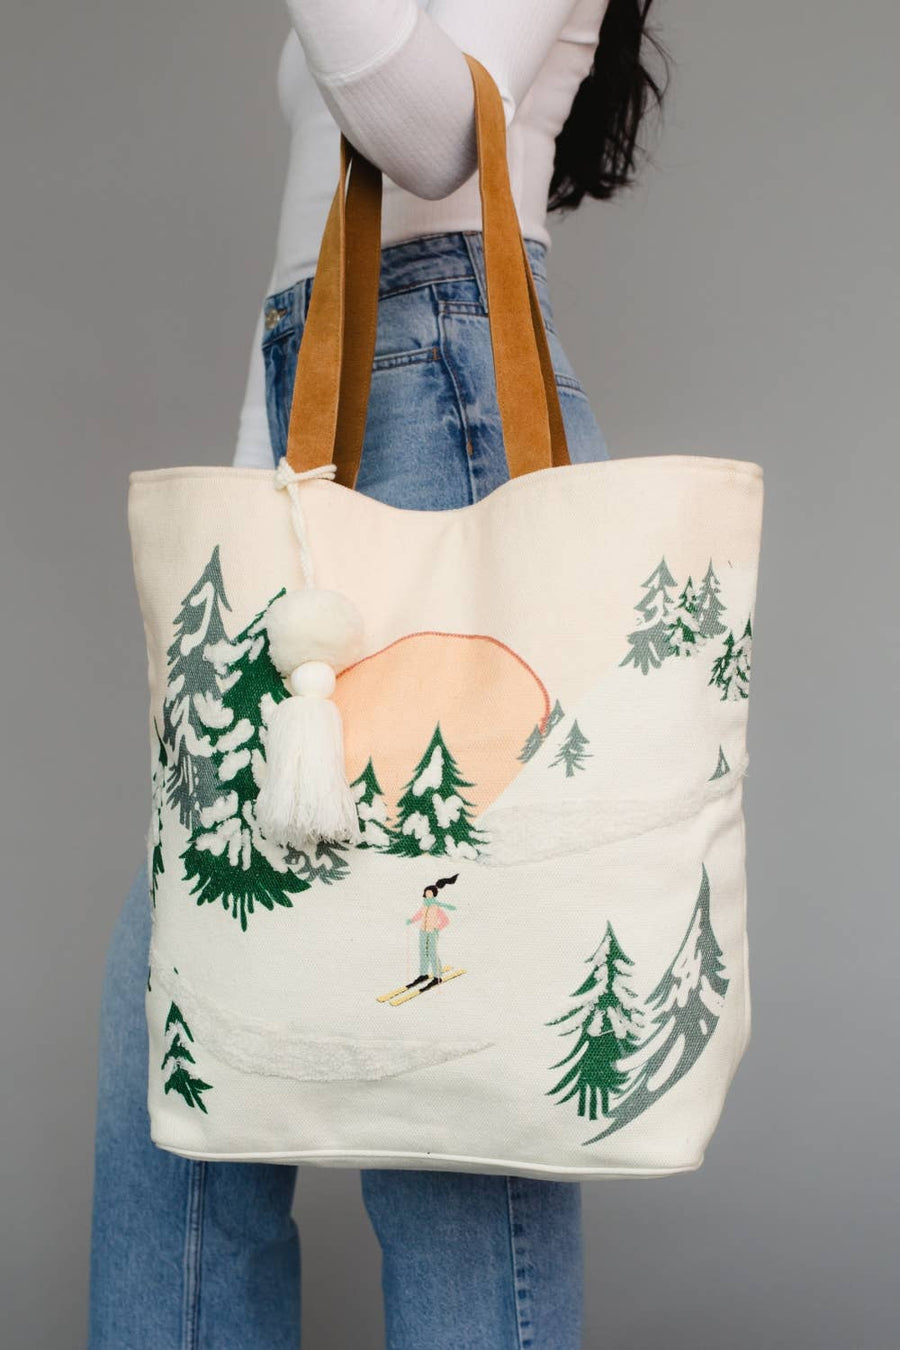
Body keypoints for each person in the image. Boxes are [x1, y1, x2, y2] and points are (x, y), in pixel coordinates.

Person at [89, 3, 667, 1346]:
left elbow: (430, 129)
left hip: (446, 397)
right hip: (319, 413)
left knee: (451, 1101)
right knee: (180, 1081)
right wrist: (257, 541)